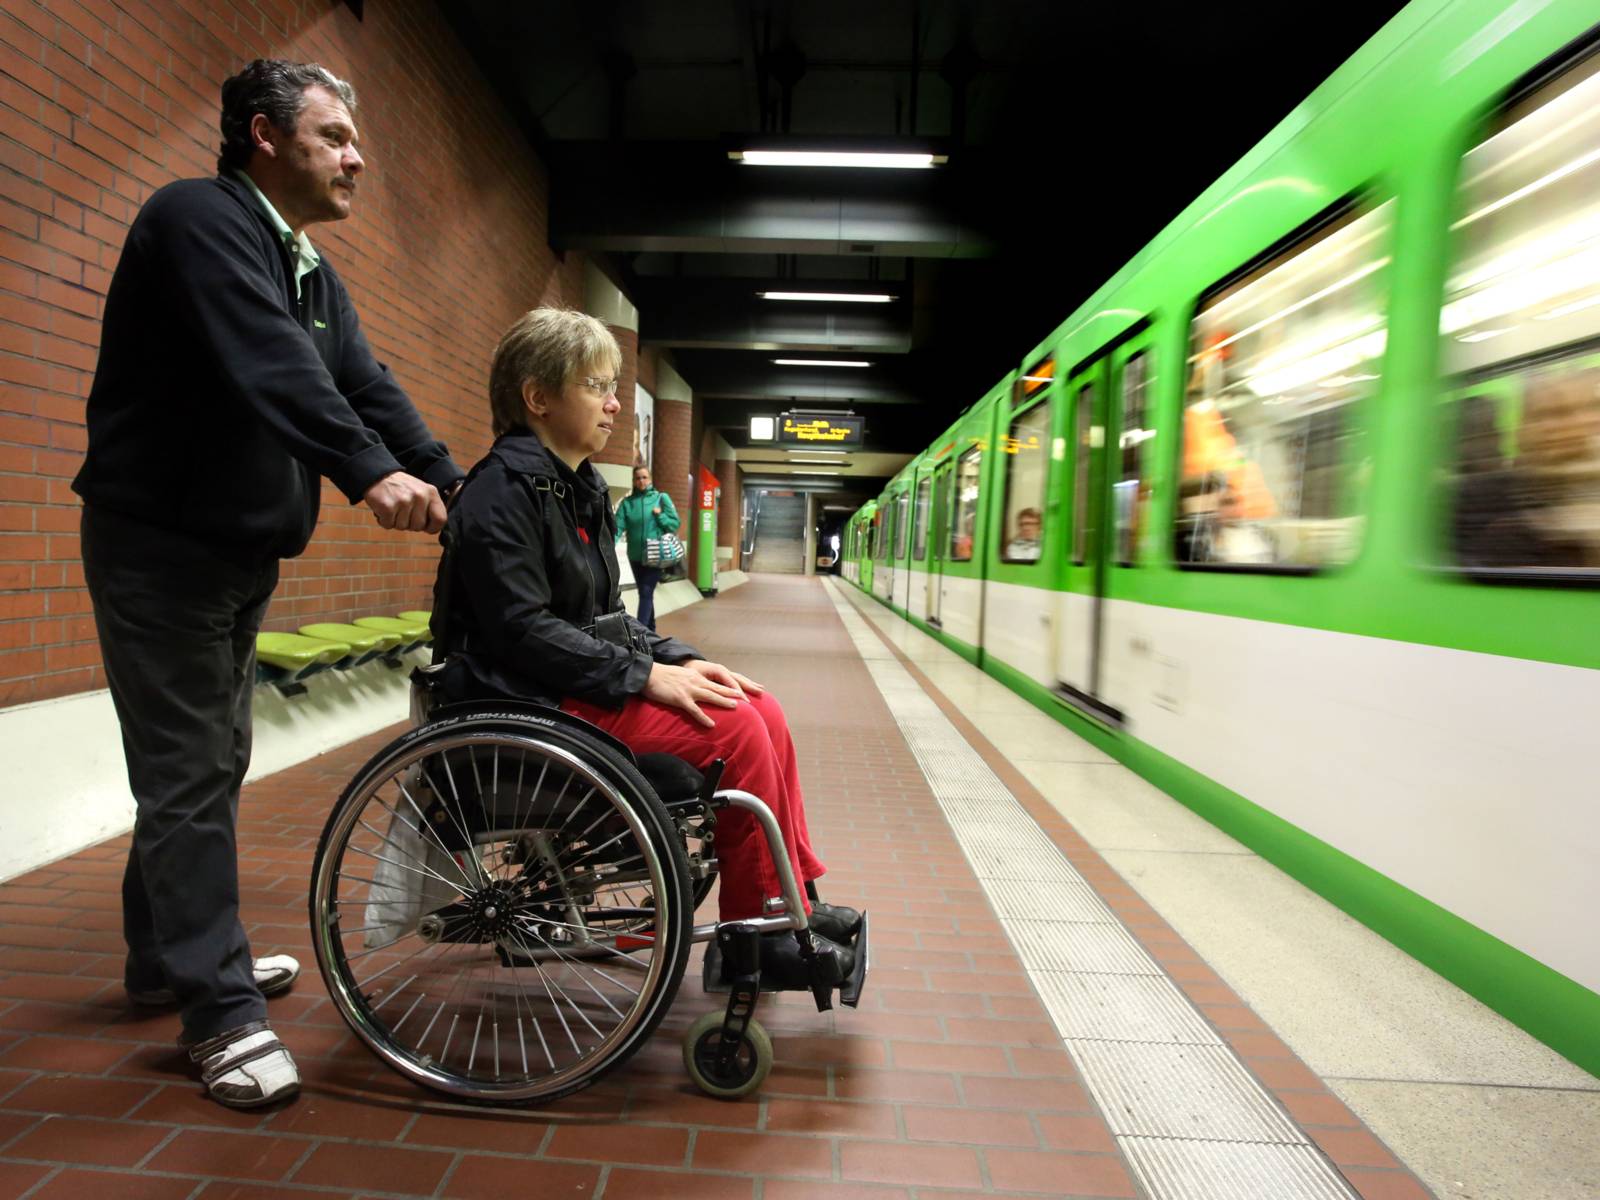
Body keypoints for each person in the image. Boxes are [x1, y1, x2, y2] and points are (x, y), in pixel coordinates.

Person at [72, 60, 464, 1108]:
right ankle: (219, 1014)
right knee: (191, 774)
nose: (356, 155)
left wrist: (450, 483)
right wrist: (368, 473)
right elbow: (271, 365)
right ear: (262, 134)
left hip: (235, 555)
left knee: (204, 764)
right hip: (160, 550)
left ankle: (167, 961)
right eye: (333, 135)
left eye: (354, 137)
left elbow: (364, 382)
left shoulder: (307, 267)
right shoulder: (197, 222)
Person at [433, 307, 860, 987]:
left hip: (564, 684)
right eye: (594, 387)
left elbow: (606, 617)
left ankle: (792, 898)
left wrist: (683, 659)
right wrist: (642, 678)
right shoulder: (501, 494)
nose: (614, 405)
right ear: (537, 398)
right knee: (738, 733)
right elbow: (520, 632)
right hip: (524, 700)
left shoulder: (572, 492)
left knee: (759, 706)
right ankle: (755, 936)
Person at [615, 464, 680, 630]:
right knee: (645, 593)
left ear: (650, 479)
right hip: (635, 556)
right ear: (634, 481)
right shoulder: (627, 503)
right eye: (638, 478)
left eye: (644, 477)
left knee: (645, 591)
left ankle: (640, 631)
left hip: (655, 556)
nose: (641, 481)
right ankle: (651, 630)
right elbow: (617, 527)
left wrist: (661, 516)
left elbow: (674, 524)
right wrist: (609, 545)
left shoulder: (661, 498)